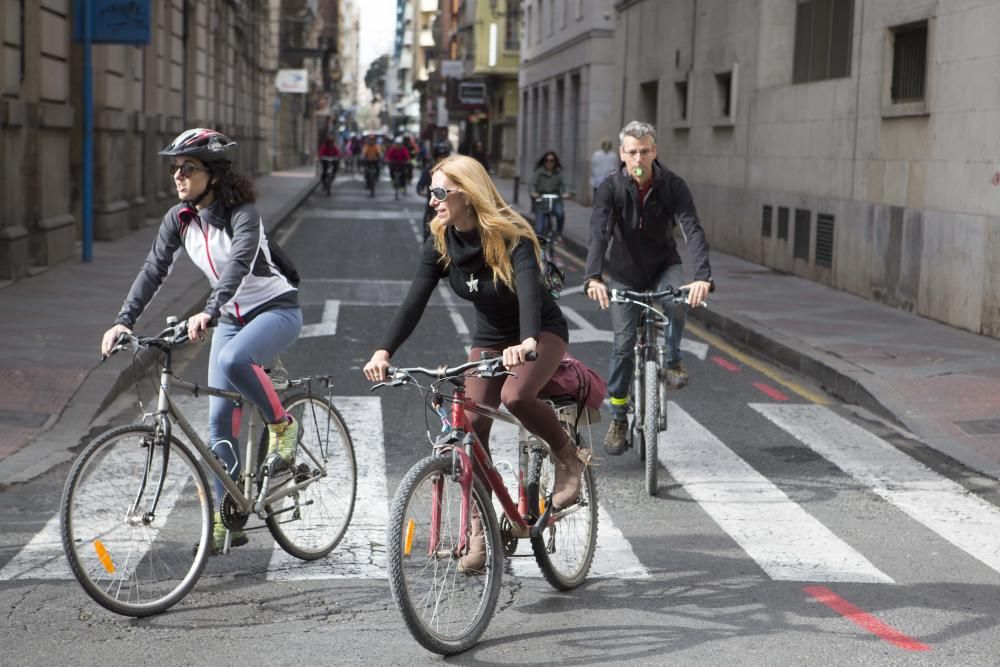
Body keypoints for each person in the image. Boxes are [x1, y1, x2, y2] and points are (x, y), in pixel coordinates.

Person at [363, 155, 586, 572]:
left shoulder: (511, 234)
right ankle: (481, 535)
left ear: (468, 192)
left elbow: (531, 293)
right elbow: (415, 300)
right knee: (471, 429)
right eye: (431, 192)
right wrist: (384, 351)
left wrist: (528, 341)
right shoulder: (441, 240)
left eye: (440, 192)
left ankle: (567, 457)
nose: (433, 201)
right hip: (488, 339)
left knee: (517, 395)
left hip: (540, 333)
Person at [99, 128, 303, 552]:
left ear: (213, 173)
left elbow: (241, 261)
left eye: (187, 168)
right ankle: (228, 519)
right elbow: (154, 269)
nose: (177, 176)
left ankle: (283, 426)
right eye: (174, 168)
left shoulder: (241, 212)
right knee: (217, 427)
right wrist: (123, 322)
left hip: (276, 311)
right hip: (230, 316)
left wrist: (211, 309)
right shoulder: (179, 218)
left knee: (232, 362)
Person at [583, 120, 713, 455]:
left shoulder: (673, 185)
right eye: (632, 152)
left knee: (676, 301)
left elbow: (692, 229)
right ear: (622, 155)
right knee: (623, 346)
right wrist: (593, 276)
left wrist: (702, 276)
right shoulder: (610, 188)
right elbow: (600, 232)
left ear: (654, 151)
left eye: (644, 151)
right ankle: (619, 417)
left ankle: (671, 361)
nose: (638, 159)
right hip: (625, 273)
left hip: (663, 266)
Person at [415, 140, 452, 239]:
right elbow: (420, 185)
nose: (443, 159)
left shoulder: (454, 171)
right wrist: (421, 190)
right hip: (433, 208)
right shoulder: (429, 169)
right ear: (436, 157)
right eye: (440, 156)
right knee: (428, 227)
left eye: (445, 156)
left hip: (451, 206)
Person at [530, 151, 569, 240]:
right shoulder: (539, 172)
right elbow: (532, 184)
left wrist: (565, 193)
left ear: (555, 162)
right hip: (542, 201)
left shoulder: (558, 173)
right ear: (544, 161)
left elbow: (564, 185)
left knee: (560, 214)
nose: (549, 163)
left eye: (552, 161)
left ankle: (559, 233)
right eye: (547, 160)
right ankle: (540, 249)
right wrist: (533, 192)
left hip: (555, 200)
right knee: (539, 230)